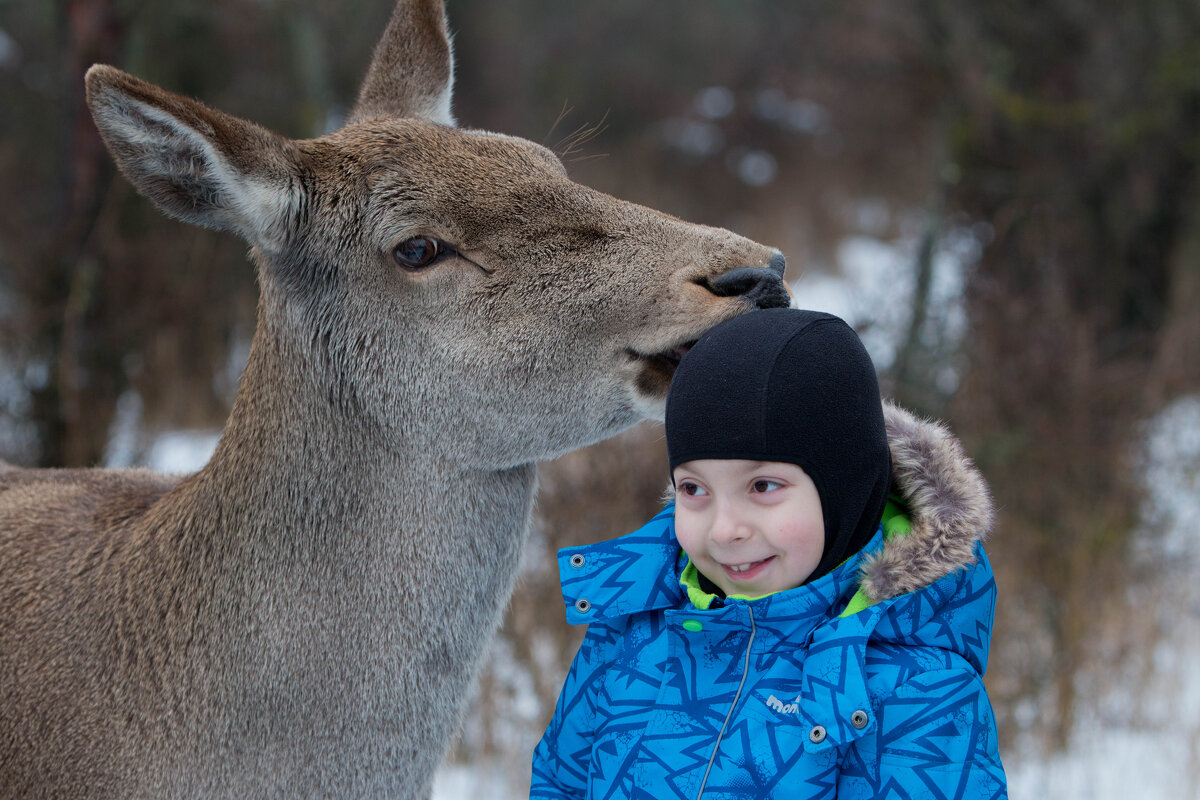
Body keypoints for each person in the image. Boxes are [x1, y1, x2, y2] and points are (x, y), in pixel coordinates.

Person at [529, 308, 1007, 799]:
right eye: (694, 489)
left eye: (762, 485)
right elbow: (559, 781)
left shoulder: (922, 695)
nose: (724, 529)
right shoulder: (633, 629)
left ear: (843, 488)